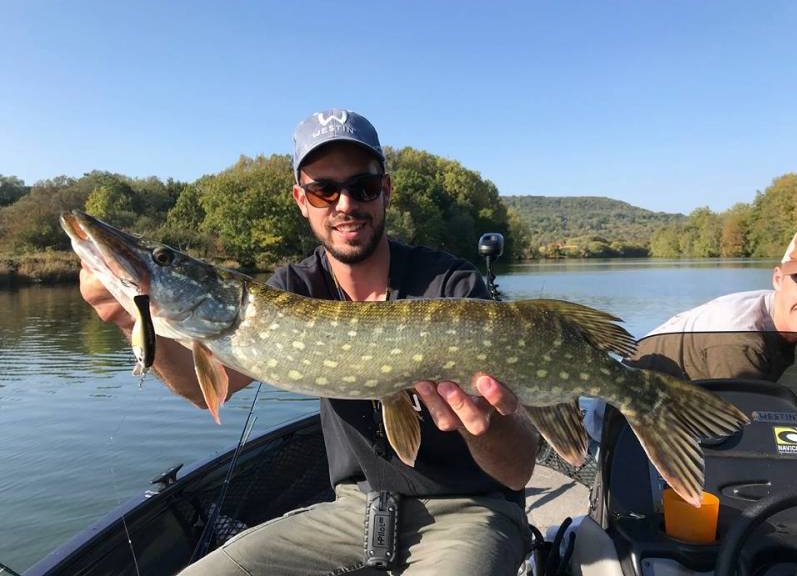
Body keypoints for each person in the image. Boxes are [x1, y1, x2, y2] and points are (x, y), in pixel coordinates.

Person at [79, 108, 539, 575]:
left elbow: (518, 469)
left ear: (386, 192)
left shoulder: (452, 286)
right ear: (302, 199)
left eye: (362, 186)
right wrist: (124, 316)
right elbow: (205, 388)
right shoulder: (286, 291)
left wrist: (484, 427)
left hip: (469, 510)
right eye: (324, 190)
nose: (345, 204)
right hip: (353, 513)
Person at [625, 232, 797, 382]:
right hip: (627, 408)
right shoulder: (740, 341)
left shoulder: (781, 310)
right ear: (778, 279)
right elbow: (741, 417)